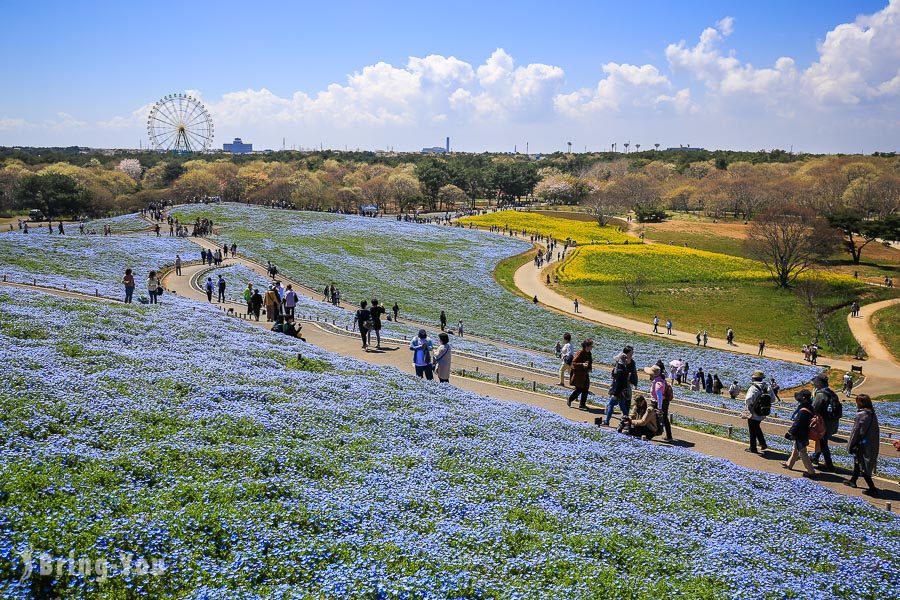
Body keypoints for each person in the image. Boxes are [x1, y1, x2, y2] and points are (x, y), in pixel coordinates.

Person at [844, 394, 881, 497]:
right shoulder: (872, 413)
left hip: (862, 444)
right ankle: (853, 480)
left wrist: (850, 445)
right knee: (857, 461)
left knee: (863, 466)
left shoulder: (860, 415)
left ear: (860, 403)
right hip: (871, 443)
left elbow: (856, 431)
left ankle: (872, 489)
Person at [782, 389, 817, 478]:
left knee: (802, 452)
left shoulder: (803, 410)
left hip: (801, 433)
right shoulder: (810, 407)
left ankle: (811, 471)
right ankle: (789, 464)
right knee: (795, 448)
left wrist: (790, 432)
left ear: (804, 399)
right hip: (804, 431)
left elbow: (798, 423)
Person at [810, 373, 841, 471]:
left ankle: (829, 464)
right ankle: (815, 457)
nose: (813, 383)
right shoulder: (832, 393)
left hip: (823, 423)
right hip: (832, 422)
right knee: (823, 440)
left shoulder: (821, 394)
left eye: (815, 382)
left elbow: (814, 408)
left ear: (819, 383)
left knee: (823, 443)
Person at [604, 349, 636, 425]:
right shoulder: (624, 368)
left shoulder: (619, 370)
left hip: (618, 390)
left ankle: (607, 421)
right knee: (622, 406)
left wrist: (615, 393)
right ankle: (627, 420)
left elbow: (619, 383)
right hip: (623, 390)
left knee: (611, 405)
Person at [744, 370, 770, 454]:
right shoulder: (767, 387)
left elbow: (748, 400)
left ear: (754, 378)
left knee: (752, 429)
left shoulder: (753, 388)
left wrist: (751, 406)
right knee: (756, 427)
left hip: (754, 412)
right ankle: (762, 443)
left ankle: (753, 448)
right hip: (763, 411)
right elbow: (772, 399)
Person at [567, 339, 593, 410]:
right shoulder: (580, 353)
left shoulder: (589, 353)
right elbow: (573, 363)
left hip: (585, 373)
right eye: (591, 346)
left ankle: (582, 404)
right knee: (579, 389)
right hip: (579, 374)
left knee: (586, 389)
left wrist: (589, 368)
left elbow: (590, 362)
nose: (592, 347)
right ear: (586, 346)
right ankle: (570, 399)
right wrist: (582, 364)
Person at [648, 365, 673, 441]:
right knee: (664, 419)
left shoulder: (658, 383)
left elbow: (659, 397)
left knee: (654, 418)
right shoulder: (660, 379)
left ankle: (652, 433)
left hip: (659, 403)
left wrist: (659, 408)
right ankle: (669, 436)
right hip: (663, 402)